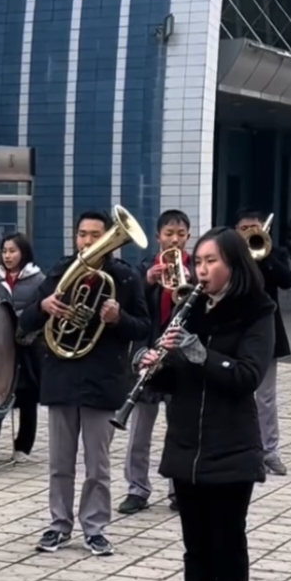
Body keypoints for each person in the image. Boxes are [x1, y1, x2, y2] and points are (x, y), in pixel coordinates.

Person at [138, 228, 275, 581]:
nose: (201, 270)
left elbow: (247, 376)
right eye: (198, 262)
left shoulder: (257, 312)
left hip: (231, 445)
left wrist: (200, 353)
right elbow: (173, 379)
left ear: (233, 264)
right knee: (195, 547)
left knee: (227, 545)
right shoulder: (188, 308)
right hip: (186, 443)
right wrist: (149, 366)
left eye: (211, 262)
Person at [19, 210, 150, 557]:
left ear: (109, 238)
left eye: (96, 235)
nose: (88, 241)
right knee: (60, 464)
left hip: (103, 380)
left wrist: (118, 318)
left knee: (98, 465)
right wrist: (45, 306)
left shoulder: (123, 277)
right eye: (82, 234)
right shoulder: (61, 271)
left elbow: (143, 327)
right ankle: (58, 525)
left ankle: (95, 528)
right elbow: (26, 320)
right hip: (61, 378)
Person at [118, 210, 192, 516]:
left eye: (181, 234)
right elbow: (130, 304)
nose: (175, 239)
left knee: (180, 427)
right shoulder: (144, 267)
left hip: (181, 356)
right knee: (139, 430)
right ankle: (137, 489)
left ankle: (179, 488)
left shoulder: (197, 268)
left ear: (188, 236)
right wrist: (148, 280)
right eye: (169, 234)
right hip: (148, 353)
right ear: (158, 235)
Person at [235, 208, 291, 475]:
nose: (249, 233)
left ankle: (270, 453)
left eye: (253, 228)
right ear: (236, 231)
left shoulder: (274, 253)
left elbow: (287, 281)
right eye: (244, 229)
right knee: (235, 394)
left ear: (263, 229)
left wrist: (265, 255)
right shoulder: (229, 255)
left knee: (266, 397)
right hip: (234, 332)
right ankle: (241, 449)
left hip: (267, 333)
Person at [0, 232, 44, 460]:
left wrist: (22, 328)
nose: (8, 256)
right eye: (5, 251)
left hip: (27, 347)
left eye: (13, 251)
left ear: (24, 252)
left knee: (27, 396)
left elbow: (40, 311)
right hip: (0, 345)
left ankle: (23, 447)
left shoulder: (37, 279)